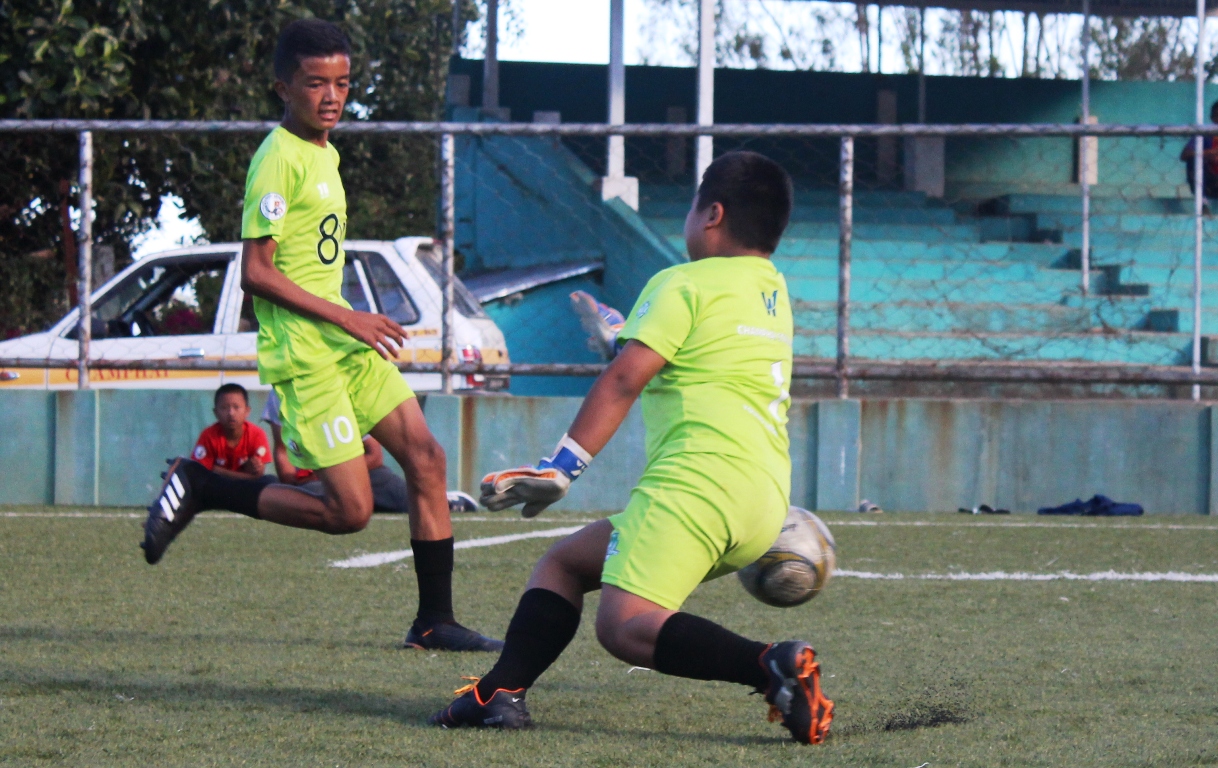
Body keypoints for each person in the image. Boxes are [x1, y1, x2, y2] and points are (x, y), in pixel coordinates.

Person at [432, 151, 835, 744]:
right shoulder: (772, 290)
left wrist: (560, 469)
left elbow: (625, 379)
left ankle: (770, 666)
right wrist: (626, 335)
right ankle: (500, 693)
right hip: (765, 501)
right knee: (567, 562)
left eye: (694, 204)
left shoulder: (681, 282)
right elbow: (695, 356)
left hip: (696, 485)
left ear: (712, 214)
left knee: (623, 627)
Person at [140, 19, 499, 652]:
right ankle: (203, 484)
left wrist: (349, 323)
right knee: (350, 513)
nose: (332, 96)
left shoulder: (326, 151)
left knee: (426, 458)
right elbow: (256, 273)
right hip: (307, 358)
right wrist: (349, 316)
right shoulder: (277, 159)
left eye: (342, 82)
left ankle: (433, 622)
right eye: (315, 84)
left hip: (344, 347)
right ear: (283, 87)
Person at [261, 390, 476, 513]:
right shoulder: (281, 393)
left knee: (402, 499)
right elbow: (281, 449)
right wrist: (291, 478)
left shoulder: (339, 389)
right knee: (317, 496)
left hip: (361, 470)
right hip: (315, 479)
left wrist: (343, 469)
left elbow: (374, 454)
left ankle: (445, 501)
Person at [192, 384, 272, 482]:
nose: (231, 413)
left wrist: (216, 469)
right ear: (216, 412)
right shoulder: (208, 435)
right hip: (218, 487)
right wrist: (246, 477)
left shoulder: (257, 434)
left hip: (246, 488)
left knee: (270, 480)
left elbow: (258, 474)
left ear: (247, 411)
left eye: (236, 407)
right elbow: (202, 469)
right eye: (224, 408)